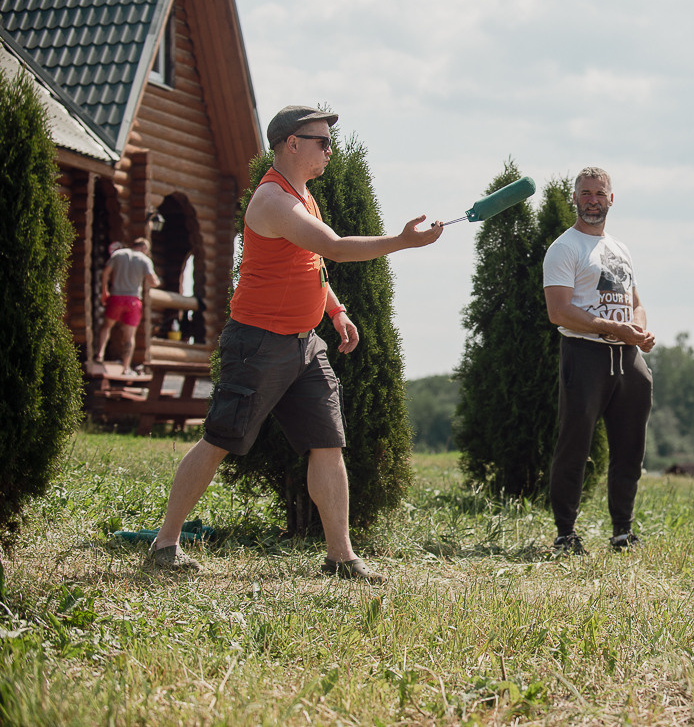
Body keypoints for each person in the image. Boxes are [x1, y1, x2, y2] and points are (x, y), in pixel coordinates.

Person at [148, 105, 445, 582]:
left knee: (328, 442)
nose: (331, 150)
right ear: (291, 143)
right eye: (322, 142)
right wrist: (402, 242)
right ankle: (166, 544)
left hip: (305, 345)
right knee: (219, 440)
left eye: (331, 141)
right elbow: (335, 247)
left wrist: (336, 310)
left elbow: (311, 265)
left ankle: (340, 557)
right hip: (257, 344)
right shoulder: (273, 200)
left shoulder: (304, 196)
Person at [543, 167, 655, 555]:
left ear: (611, 198)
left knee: (630, 448)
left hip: (629, 358)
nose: (592, 200)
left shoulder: (620, 248)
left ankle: (623, 531)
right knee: (575, 444)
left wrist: (637, 331)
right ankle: (565, 534)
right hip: (586, 355)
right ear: (574, 199)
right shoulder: (564, 248)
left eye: (599, 193)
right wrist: (615, 329)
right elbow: (558, 311)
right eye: (585, 193)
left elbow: (636, 303)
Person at [95, 237, 161, 372]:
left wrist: (104, 292)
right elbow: (153, 281)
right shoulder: (144, 260)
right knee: (129, 336)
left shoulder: (118, 254)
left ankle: (100, 355)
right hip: (133, 300)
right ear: (143, 248)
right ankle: (125, 367)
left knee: (107, 326)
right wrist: (157, 282)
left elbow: (105, 273)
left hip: (116, 297)